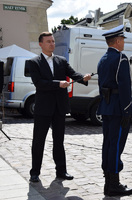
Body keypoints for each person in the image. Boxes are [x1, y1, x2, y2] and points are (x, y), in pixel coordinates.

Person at [27, 32, 91, 182]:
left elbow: (73, 73)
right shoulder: (34, 62)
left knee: (59, 141)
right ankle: (34, 172)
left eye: (53, 41)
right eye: (48, 41)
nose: (52, 44)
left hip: (59, 107)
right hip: (43, 108)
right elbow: (39, 83)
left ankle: (61, 171)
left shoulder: (61, 60)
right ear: (41, 44)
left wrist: (83, 78)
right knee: (38, 140)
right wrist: (58, 84)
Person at [97, 25, 132, 196]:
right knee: (116, 146)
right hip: (119, 108)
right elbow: (125, 87)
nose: (124, 43)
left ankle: (108, 181)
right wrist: (127, 111)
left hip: (106, 106)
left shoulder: (103, 59)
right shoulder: (121, 59)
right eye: (123, 40)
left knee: (108, 144)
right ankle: (113, 184)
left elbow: (101, 86)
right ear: (118, 41)